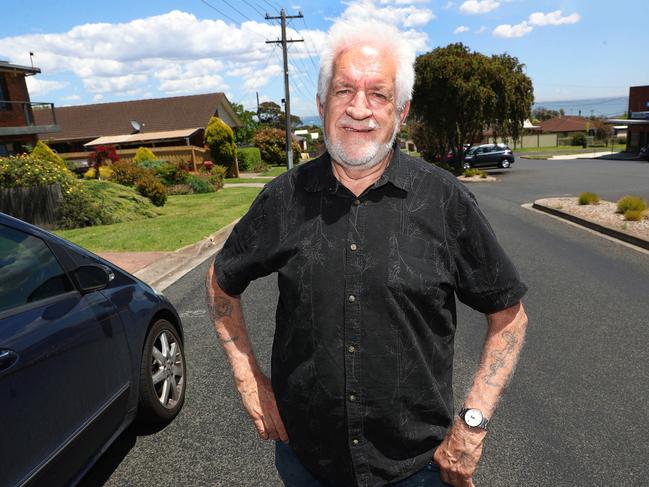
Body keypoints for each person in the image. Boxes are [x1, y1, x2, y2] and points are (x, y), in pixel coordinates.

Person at [206, 18, 528, 487]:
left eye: (378, 93)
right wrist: (248, 380)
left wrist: (472, 426)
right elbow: (221, 280)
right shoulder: (283, 198)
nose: (360, 108)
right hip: (307, 464)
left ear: (401, 110)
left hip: (417, 467)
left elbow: (510, 316)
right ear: (321, 104)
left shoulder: (442, 199)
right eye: (343, 91)